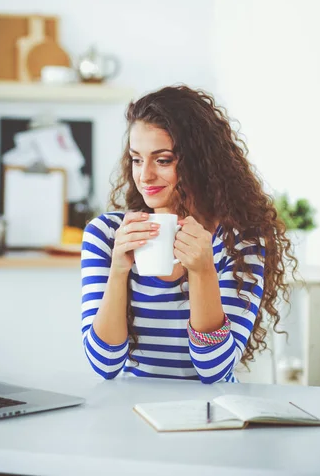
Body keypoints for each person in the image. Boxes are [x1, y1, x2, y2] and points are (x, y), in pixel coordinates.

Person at [81, 85, 296, 383]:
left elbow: (215, 370)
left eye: (163, 159)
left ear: (201, 162)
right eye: (137, 159)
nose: (144, 176)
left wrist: (203, 270)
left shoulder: (241, 241)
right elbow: (104, 365)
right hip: (128, 413)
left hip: (210, 418)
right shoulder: (106, 235)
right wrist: (119, 271)